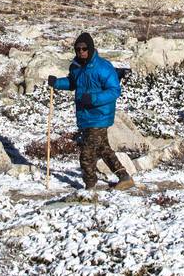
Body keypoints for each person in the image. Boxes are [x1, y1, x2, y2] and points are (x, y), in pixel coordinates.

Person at [47, 32, 134, 191]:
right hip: (85, 116)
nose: (81, 52)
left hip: (100, 115)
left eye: (84, 48)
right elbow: (73, 83)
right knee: (103, 149)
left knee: (86, 155)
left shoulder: (103, 67)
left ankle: (90, 186)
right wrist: (57, 83)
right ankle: (124, 177)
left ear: (91, 48)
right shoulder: (76, 67)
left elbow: (114, 90)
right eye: (78, 49)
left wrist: (93, 99)